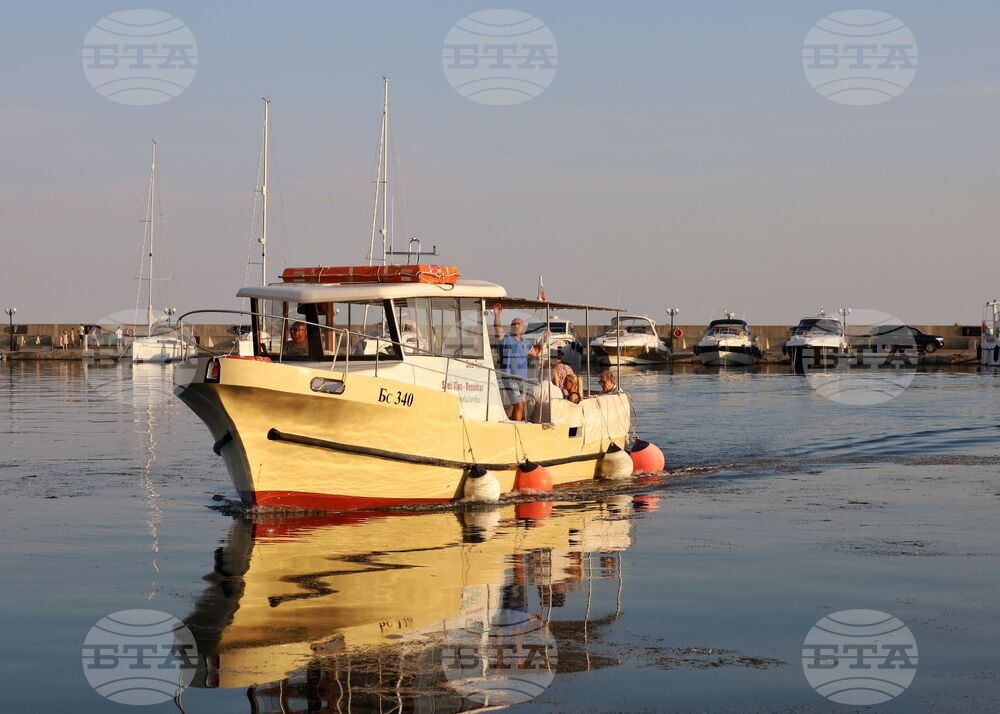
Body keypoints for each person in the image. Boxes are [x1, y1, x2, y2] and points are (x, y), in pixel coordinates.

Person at [492, 304, 547, 421]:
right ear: (511, 327)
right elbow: (497, 328)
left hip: (522, 379)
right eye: (513, 324)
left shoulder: (525, 343)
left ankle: (514, 424)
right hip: (509, 378)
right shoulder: (505, 338)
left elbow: (535, 352)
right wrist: (497, 315)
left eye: (519, 323)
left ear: (523, 328)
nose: (516, 325)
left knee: (520, 405)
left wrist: (543, 341)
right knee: (519, 405)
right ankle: (516, 428)